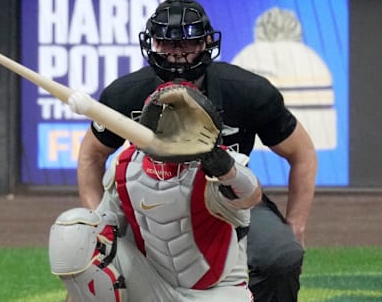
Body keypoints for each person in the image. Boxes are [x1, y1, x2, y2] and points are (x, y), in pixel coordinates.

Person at [76, 0, 317, 302]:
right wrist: (98, 220)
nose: (177, 53)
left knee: (279, 255)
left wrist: (296, 224)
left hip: (226, 199)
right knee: (80, 249)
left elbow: (303, 153)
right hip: (149, 196)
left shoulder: (247, 91)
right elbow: (91, 155)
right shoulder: (125, 94)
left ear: (206, 43)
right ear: (152, 44)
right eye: (166, 43)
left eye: (188, 44)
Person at [50, 81, 263, 301]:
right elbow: (101, 233)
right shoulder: (126, 168)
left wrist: (218, 162)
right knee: (76, 230)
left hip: (218, 292)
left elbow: (251, 195)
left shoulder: (223, 171)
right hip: (153, 286)